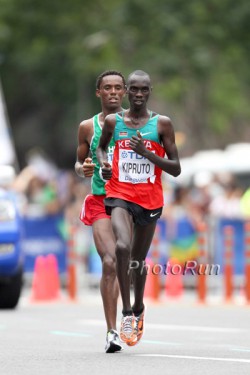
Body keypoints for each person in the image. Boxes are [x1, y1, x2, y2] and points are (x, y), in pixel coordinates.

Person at [97, 70, 181, 346]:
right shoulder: (114, 121)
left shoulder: (162, 124)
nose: (138, 95)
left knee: (136, 260)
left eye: (144, 90)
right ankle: (126, 314)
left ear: (150, 91)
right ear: (126, 92)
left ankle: (139, 306)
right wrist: (105, 164)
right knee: (122, 246)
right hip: (120, 194)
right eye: (133, 90)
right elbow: (101, 148)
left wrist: (147, 153)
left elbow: (176, 168)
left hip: (150, 200)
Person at [75, 70, 127, 353]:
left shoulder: (138, 124)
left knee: (128, 261)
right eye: (107, 88)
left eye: (118, 88)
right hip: (100, 200)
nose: (113, 92)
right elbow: (78, 161)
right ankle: (112, 331)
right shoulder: (87, 127)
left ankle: (134, 309)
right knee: (109, 261)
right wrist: (82, 169)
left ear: (126, 91)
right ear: (99, 92)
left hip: (131, 201)